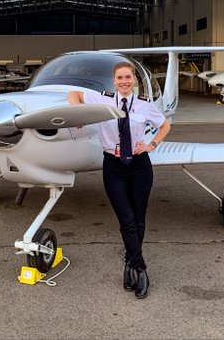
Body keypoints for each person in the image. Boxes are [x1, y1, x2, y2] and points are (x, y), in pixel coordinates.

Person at [68, 61, 171, 299]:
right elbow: (73, 94)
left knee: (139, 218)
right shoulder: (102, 100)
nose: (124, 81)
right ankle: (141, 269)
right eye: (119, 78)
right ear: (113, 81)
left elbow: (165, 125)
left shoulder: (145, 105)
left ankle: (129, 264)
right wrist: (78, 112)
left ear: (133, 80)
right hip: (113, 165)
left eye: (128, 77)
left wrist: (151, 144)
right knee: (126, 219)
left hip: (139, 165)